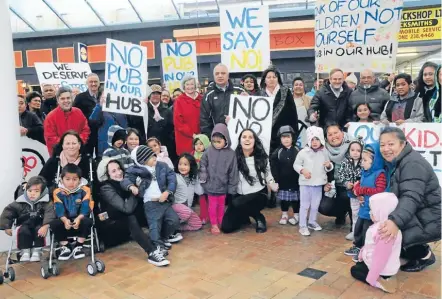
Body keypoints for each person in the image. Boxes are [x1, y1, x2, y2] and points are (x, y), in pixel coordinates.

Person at [378, 127, 440, 272]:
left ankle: (425, 255)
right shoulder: (402, 160)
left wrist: (395, 222)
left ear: (402, 144)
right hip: (422, 213)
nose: (386, 149)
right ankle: (417, 247)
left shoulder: (412, 164)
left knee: (393, 233)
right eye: (382, 145)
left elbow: (410, 197)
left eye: (391, 144)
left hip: (432, 218)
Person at [97, 158, 170, 266]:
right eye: (113, 171)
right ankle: (152, 252)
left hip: (126, 226)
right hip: (111, 229)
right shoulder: (106, 188)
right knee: (130, 216)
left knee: (147, 207)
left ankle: (159, 240)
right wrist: (135, 190)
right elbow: (127, 209)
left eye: (119, 169)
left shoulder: (124, 182)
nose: (119, 172)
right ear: (107, 175)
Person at [122, 146, 181, 251]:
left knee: (174, 221)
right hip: (150, 203)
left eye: (154, 155)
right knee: (154, 225)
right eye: (150, 157)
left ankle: (162, 238)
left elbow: (172, 178)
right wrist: (131, 186)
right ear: (142, 161)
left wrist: (168, 192)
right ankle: (158, 246)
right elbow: (125, 180)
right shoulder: (136, 170)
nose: (154, 158)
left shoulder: (162, 166)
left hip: (164, 200)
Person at [221, 129, 278, 234]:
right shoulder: (233, 156)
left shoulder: (262, 157)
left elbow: (268, 174)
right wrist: (227, 126)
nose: (247, 140)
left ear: (255, 140)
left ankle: (259, 217)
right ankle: (244, 215)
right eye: (244, 137)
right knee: (226, 227)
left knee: (237, 203)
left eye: (250, 137)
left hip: (258, 194)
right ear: (240, 140)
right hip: (239, 196)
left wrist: (271, 183)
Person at [351, 192, 402, 294]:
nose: (370, 213)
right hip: (381, 266)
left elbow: (381, 257)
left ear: (381, 211)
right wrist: (362, 253)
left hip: (383, 270)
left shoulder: (384, 231)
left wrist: (372, 277)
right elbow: (370, 245)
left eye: (372, 210)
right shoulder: (384, 226)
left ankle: (379, 281)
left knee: (355, 270)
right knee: (359, 265)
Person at [344, 143, 387, 262]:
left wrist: (362, 190)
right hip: (363, 208)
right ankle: (358, 246)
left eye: (365, 160)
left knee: (367, 231)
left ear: (375, 161)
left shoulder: (380, 174)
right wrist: (357, 191)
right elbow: (359, 188)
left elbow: (379, 191)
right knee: (358, 228)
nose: (362, 163)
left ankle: (366, 251)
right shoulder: (364, 173)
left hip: (372, 210)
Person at [0, 176, 55, 262]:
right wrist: (6, 226)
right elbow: (8, 212)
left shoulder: (46, 202)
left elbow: (50, 213)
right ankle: (25, 251)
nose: (32, 194)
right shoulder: (20, 202)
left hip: (40, 224)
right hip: (24, 223)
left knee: (39, 231)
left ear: (43, 192)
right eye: (29, 191)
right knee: (22, 230)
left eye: (36, 191)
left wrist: (46, 225)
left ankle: (37, 251)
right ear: (26, 190)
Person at [199, 123, 239, 234]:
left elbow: (233, 171)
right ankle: (214, 224)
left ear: (226, 140)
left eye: (219, 141)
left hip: (223, 185)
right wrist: (203, 176)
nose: (216, 144)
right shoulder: (208, 151)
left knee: (221, 205)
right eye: (214, 141)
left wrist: (232, 187)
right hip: (210, 185)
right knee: (212, 205)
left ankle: (221, 220)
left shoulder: (231, 154)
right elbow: (203, 164)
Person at [294, 126, 333, 236]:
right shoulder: (303, 152)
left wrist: (329, 165)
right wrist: (302, 170)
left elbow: (328, 165)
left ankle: (312, 221)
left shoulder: (324, 152)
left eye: (317, 139)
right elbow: (296, 164)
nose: (315, 142)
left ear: (321, 140)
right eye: (312, 140)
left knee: (315, 205)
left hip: (318, 183)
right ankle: (302, 225)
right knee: (305, 205)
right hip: (305, 184)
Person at [51, 164, 93, 260]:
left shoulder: (85, 190)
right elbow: (59, 208)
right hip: (65, 221)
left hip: (80, 219)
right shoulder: (57, 192)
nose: (71, 182)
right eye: (68, 179)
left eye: (74, 179)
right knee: (54, 224)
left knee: (88, 221)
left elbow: (86, 207)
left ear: (80, 180)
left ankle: (79, 245)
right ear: (61, 180)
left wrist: (78, 218)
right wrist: (65, 220)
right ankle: (66, 247)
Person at [259, 66, 299, 154]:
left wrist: (294, 135)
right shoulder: (260, 94)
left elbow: (293, 114)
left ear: (278, 79)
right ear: (264, 80)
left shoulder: (285, 91)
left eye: (274, 77)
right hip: (265, 135)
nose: (271, 79)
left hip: (283, 133)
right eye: (269, 77)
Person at [200, 63, 245, 136]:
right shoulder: (208, 95)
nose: (220, 76)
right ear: (214, 76)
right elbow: (204, 120)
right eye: (217, 74)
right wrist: (210, 137)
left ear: (228, 75)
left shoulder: (240, 90)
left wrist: (248, 97)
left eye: (223, 73)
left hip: (238, 135)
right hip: (218, 137)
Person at [44, 86, 90, 155]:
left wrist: (76, 143)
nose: (66, 101)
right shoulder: (50, 117)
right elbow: (50, 138)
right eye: (62, 98)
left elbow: (86, 130)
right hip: (59, 156)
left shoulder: (78, 112)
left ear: (72, 99)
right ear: (58, 100)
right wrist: (69, 145)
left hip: (78, 153)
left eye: (68, 98)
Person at [324, 124, 355, 225]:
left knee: (346, 197)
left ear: (342, 132)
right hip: (333, 185)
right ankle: (341, 213)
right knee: (324, 206)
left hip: (350, 184)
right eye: (330, 134)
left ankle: (354, 225)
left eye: (336, 132)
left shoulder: (353, 144)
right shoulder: (323, 148)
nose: (333, 136)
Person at [270, 126, 300, 226]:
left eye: (288, 137)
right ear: (280, 139)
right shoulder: (277, 152)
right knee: (284, 200)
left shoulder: (298, 150)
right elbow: (274, 167)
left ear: (292, 138)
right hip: (283, 181)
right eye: (283, 137)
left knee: (296, 200)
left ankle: (296, 214)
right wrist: (275, 180)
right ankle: (284, 214)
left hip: (296, 181)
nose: (286, 139)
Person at [337, 139, 363, 241]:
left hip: (363, 193)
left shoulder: (363, 162)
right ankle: (354, 231)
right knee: (355, 212)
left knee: (363, 212)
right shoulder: (345, 162)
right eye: (353, 150)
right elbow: (341, 174)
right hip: (352, 193)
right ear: (349, 151)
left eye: (358, 150)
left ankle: (363, 232)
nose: (355, 153)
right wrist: (346, 183)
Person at [89, 93, 128, 157]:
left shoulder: (121, 111)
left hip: (120, 148)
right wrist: (100, 105)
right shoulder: (99, 110)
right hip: (104, 149)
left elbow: (125, 127)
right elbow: (92, 120)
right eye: (104, 96)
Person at [172, 154, 203, 231]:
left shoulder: (193, 178)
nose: (182, 167)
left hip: (187, 209)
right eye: (180, 164)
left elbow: (200, 192)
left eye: (185, 164)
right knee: (186, 212)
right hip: (175, 206)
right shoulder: (174, 176)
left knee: (197, 225)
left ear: (191, 166)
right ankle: (171, 225)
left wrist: (198, 178)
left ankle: (177, 228)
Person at [173, 74, 202, 156]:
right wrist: (192, 134)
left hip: (201, 137)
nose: (190, 87)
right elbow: (178, 122)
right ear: (184, 86)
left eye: (192, 84)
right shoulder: (179, 101)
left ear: (195, 85)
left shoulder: (202, 98)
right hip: (185, 138)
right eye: (187, 84)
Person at [192, 134, 210, 224]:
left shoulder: (209, 155)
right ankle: (203, 215)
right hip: (198, 180)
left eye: (201, 144)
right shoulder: (192, 155)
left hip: (208, 180)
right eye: (196, 144)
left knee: (210, 198)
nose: (198, 146)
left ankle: (210, 215)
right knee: (201, 198)